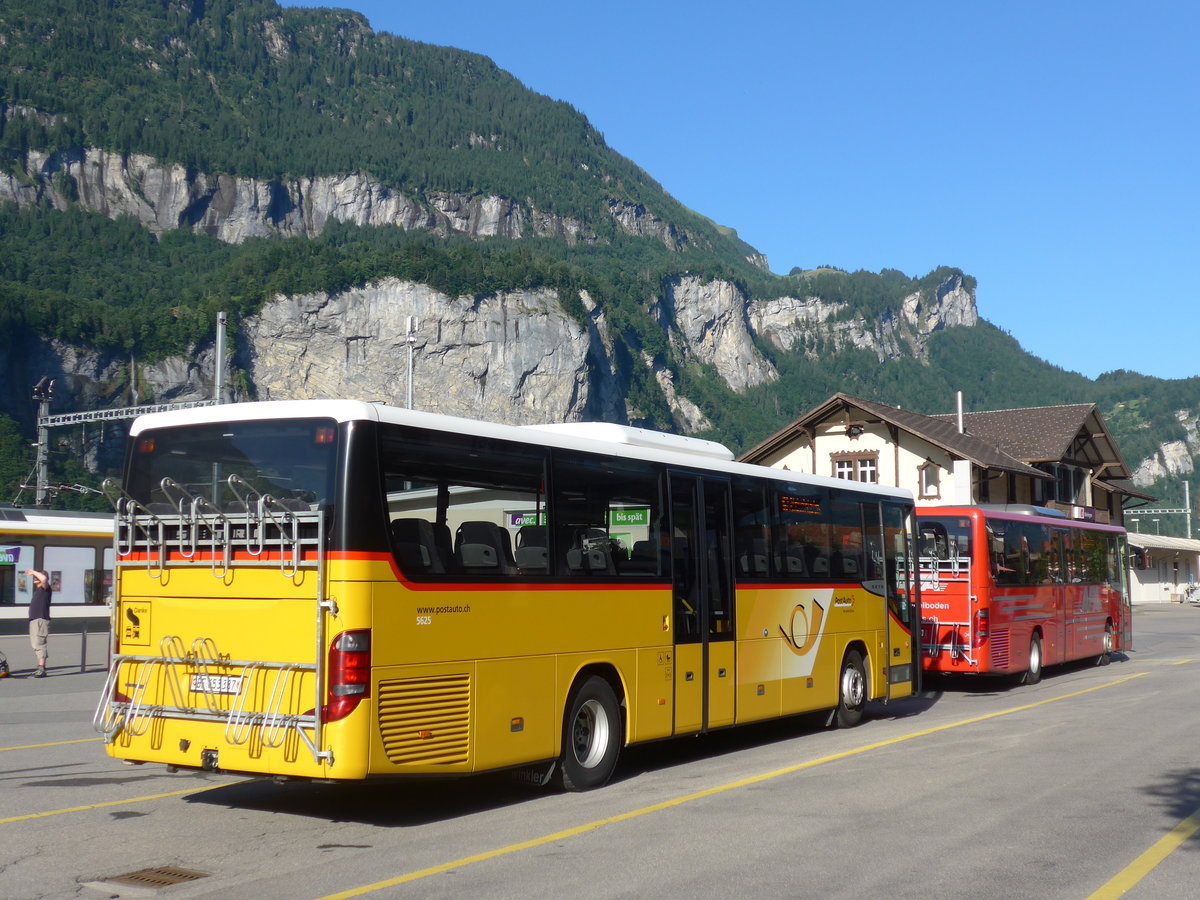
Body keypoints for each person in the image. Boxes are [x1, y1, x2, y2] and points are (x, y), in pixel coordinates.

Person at [25, 569, 51, 677]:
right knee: (35, 644)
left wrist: (33, 572)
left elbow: (44, 579)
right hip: (35, 620)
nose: (35, 578)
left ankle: (42, 669)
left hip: (40, 620)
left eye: (37, 577)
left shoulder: (45, 588)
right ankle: (39, 667)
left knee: (39, 643)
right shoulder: (39, 590)